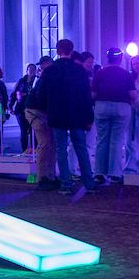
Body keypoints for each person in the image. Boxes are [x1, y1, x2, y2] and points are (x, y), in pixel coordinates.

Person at [40, 39, 96, 194]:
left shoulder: (50, 71)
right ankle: (89, 183)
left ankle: (66, 184)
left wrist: (48, 110)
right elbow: (86, 96)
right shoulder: (79, 70)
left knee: (61, 149)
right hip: (77, 114)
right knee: (81, 148)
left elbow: (41, 94)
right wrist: (89, 117)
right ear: (72, 51)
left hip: (57, 115)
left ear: (57, 52)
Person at [91, 47, 136, 184]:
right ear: (121, 59)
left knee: (102, 139)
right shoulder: (125, 74)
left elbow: (93, 94)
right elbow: (133, 94)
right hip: (122, 107)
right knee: (116, 140)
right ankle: (115, 174)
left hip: (102, 106)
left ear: (107, 58)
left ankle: (99, 173)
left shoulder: (99, 73)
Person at [24, 56, 56, 189]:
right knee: (44, 144)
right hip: (36, 112)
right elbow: (42, 98)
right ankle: (42, 177)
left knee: (49, 144)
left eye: (42, 65)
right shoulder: (45, 78)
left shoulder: (44, 78)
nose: (40, 68)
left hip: (39, 112)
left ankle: (49, 176)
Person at [11, 63, 37, 153]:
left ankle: (34, 150)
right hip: (21, 109)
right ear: (27, 71)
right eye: (30, 69)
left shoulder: (37, 81)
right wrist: (10, 105)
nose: (32, 71)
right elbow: (14, 93)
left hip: (33, 110)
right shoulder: (21, 81)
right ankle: (24, 150)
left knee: (33, 130)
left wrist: (27, 94)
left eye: (34, 69)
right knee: (23, 130)